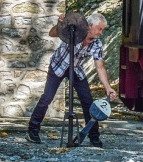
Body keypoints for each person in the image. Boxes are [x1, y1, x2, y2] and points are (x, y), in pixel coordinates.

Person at [27, 12, 116, 147]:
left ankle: (94, 136)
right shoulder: (74, 30)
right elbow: (52, 33)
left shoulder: (97, 43)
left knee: (88, 101)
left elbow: (100, 67)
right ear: (90, 26)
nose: (101, 32)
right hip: (59, 65)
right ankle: (32, 131)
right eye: (100, 29)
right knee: (47, 97)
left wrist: (108, 88)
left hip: (76, 69)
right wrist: (60, 23)